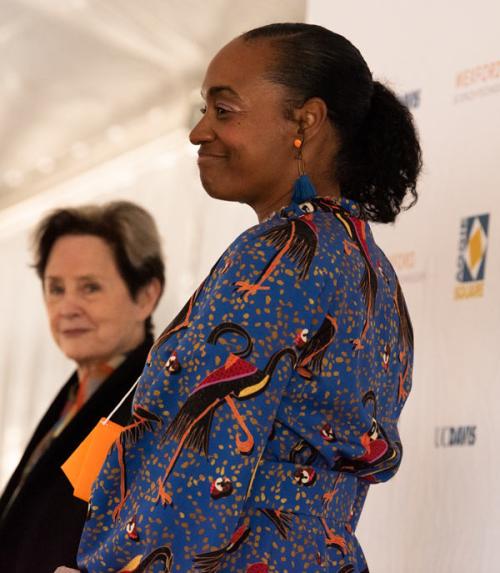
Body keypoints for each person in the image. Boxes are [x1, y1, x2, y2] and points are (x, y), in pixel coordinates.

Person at [76, 23, 422, 573]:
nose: (198, 132)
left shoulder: (280, 253)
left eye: (224, 110)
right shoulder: (369, 265)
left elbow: (197, 462)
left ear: (305, 121)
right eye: (203, 109)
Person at [0, 201, 165, 572]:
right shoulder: (76, 393)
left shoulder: (155, 404)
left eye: (89, 288)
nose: (67, 308)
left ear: (146, 295)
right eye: (55, 289)